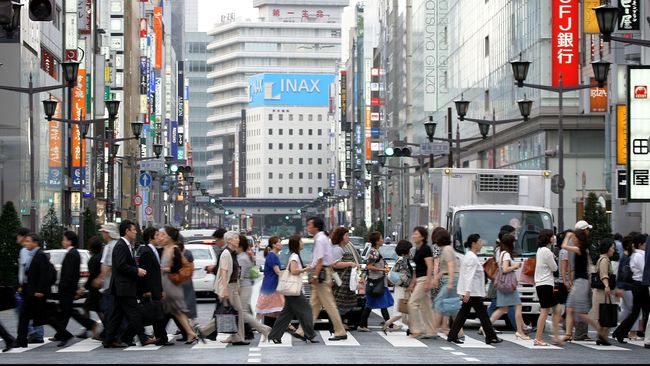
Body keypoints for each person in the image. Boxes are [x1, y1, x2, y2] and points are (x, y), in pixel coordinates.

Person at [102, 220, 158, 348]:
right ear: (127, 231)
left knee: (116, 315)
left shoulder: (125, 245)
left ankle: (109, 340)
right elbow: (121, 265)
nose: (136, 232)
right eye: (133, 229)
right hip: (123, 287)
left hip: (121, 287)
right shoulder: (121, 245)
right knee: (134, 313)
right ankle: (143, 339)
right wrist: (136, 270)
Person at [13, 233, 73, 348]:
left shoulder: (40, 255)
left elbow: (45, 274)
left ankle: (21, 340)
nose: (26, 243)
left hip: (37, 293)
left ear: (35, 243)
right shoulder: (33, 255)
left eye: (28, 241)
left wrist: (40, 290)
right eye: (25, 241)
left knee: (33, 316)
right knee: (38, 316)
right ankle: (64, 334)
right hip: (31, 291)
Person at [293, 217, 347, 341]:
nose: (308, 227)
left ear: (316, 227)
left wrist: (315, 275)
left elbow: (320, 260)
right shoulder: (321, 238)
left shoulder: (320, 239)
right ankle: (303, 330)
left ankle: (340, 331)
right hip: (322, 272)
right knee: (313, 305)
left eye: (309, 225)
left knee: (329, 304)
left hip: (322, 273)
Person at [447, 234, 502, 345]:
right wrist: (467, 291)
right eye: (479, 242)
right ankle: (491, 336)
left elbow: (467, 275)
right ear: (474, 244)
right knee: (483, 315)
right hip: (473, 291)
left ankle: (452, 335)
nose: (481, 244)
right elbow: (469, 275)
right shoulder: (471, 257)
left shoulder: (470, 256)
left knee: (464, 313)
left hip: (471, 291)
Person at [561, 229, 610, 345]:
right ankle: (568, 334)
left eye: (574, 237)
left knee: (581, 313)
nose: (573, 239)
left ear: (579, 239)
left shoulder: (580, 249)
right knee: (569, 308)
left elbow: (564, 246)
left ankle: (600, 331)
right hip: (579, 282)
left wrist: (567, 237)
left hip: (581, 283)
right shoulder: (582, 250)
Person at [267, 235, 318, 344]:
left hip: (292, 290)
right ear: (297, 244)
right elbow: (293, 271)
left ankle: (275, 335)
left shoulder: (294, 256)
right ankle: (310, 334)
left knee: (286, 314)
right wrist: (306, 269)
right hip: (293, 290)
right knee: (307, 310)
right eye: (300, 241)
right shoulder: (294, 257)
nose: (302, 243)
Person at [53, 231, 98, 343]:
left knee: (69, 311)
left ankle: (90, 324)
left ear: (69, 241)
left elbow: (69, 274)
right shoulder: (73, 253)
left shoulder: (72, 254)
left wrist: (64, 287)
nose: (62, 241)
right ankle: (61, 334)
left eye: (64, 239)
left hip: (67, 289)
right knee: (66, 312)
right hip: (68, 288)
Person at [158, 226, 199, 344]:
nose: (161, 237)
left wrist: (164, 269)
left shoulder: (174, 249)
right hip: (167, 284)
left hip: (172, 285)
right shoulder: (166, 248)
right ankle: (189, 332)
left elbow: (177, 267)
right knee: (175, 311)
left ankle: (189, 332)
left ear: (169, 237)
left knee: (177, 311)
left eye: (163, 235)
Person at [485, 234, 530, 340]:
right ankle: (520, 331)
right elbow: (505, 269)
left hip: (503, 285)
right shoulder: (506, 255)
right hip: (508, 285)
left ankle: (485, 326)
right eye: (513, 242)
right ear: (510, 243)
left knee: (503, 308)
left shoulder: (501, 253)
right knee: (518, 306)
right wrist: (515, 266)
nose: (515, 244)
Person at [136, 227, 170, 346]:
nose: (159, 237)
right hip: (150, 290)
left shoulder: (154, 251)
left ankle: (161, 338)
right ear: (150, 238)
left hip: (155, 288)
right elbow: (145, 274)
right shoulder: (146, 252)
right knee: (155, 314)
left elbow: (155, 274)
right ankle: (160, 338)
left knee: (158, 314)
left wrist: (160, 289)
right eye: (156, 235)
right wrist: (146, 290)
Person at [613, 233, 648, 344]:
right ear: (640, 244)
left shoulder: (634, 255)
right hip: (641, 285)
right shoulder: (640, 255)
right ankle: (620, 332)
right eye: (645, 243)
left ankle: (620, 332)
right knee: (638, 311)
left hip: (636, 285)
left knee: (636, 312)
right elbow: (644, 270)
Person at [236, 234, 271, 340]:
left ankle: (263, 328)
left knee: (242, 313)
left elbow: (240, 276)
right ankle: (237, 335)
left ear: (239, 245)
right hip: (246, 286)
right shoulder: (244, 256)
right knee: (241, 312)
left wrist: (236, 288)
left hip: (243, 287)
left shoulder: (242, 257)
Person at [358, 231, 394, 332]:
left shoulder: (375, 251)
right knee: (382, 304)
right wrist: (383, 270)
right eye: (381, 238)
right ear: (377, 241)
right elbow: (369, 266)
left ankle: (362, 325)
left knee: (371, 305)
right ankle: (390, 325)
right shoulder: (374, 252)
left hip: (375, 282)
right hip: (375, 282)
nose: (383, 240)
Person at [407, 226, 437, 339]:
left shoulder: (426, 249)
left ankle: (416, 330)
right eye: (413, 233)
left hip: (424, 279)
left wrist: (428, 281)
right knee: (426, 307)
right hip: (419, 279)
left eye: (416, 234)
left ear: (423, 237)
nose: (413, 236)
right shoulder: (418, 249)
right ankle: (431, 331)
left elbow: (430, 266)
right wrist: (413, 281)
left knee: (412, 303)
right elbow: (417, 267)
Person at [15, 227, 44, 344]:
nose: (17, 238)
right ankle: (36, 333)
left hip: (28, 286)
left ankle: (33, 333)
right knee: (34, 311)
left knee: (23, 311)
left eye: (18, 236)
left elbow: (27, 268)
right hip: (30, 286)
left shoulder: (26, 250)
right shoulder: (30, 250)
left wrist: (22, 284)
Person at [532, 229, 562, 346]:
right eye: (552, 236)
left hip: (542, 284)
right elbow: (554, 268)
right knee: (545, 311)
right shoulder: (547, 252)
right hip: (545, 284)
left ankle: (555, 336)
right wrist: (555, 258)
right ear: (547, 238)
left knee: (557, 308)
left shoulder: (540, 250)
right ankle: (538, 338)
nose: (554, 238)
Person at [486, 225, 517, 331]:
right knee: (499, 304)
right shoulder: (501, 250)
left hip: (500, 281)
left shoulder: (500, 249)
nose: (514, 238)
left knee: (505, 305)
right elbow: (503, 268)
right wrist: (515, 266)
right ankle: (518, 328)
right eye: (512, 235)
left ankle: (518, 327)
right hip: (501, 281)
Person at [94, 223, 120, 341]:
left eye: (104, 232)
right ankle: (109, 333)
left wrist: (100, 278)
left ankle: (111, 335)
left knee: (109, 310)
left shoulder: (110, 246)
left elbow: (109, 265)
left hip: (109, 284)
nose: (102, 234)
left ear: (108, 233)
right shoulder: (113, 245)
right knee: (112, 310)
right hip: (112, 284)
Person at [433, 229, 461, 336]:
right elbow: (444, 268)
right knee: (453, 307)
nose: (435, 239)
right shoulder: (445, 249)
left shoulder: (447, 250)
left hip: (451, 279)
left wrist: (449, 282)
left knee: (439, 302)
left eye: (437, 237)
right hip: (449, 279)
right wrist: (436, 279)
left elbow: (450, 265)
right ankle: (459, 332)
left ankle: (433, 330)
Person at [331, 227, 359, 327]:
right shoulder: (337, 249)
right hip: (340, 279)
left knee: (347, 301)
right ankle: (339, 323)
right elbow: (334, 264)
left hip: (347, 279)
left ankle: (344, 322)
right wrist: (350, 263)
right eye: (346, 235)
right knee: (340, 301)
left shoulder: (346, 247)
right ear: (341, 237)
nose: (348, 237)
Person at [383, 240, 413, 332]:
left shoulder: (402, 259)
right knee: (401, 309)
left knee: (405, 308)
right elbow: (403, 275)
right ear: (406, 250)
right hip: (403, 287)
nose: (411, 251)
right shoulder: (403, 260)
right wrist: (410, 285)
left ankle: (411, 328)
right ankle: (388, 323)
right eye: (409, 249)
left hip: (402, 287)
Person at [616, 235, 642, 341]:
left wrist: (619, 286)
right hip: (630, 286)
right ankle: (632, 332)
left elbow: (620, 273)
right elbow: (624, 274)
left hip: (624, 287)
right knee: (633, 310)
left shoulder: (623, 256)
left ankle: (623, 330)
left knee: (627, 310)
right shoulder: (629, 257)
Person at [255, 236, 285, 324]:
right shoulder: (272, 256)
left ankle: (283, 327)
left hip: (272, 286)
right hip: (270, 287)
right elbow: (278, 272)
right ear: (274, 245)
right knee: (264, 308)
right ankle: (256, 325)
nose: (281, 244)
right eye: (279, 242)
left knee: (274, 308)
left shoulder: (273, 256)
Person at [592, 239, 616, 342]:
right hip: (602, 291)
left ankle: (602, 336)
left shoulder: (603, 259)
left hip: (601, 291)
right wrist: (607, 286)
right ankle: (602, 336)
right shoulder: (605, 260)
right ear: (607, 248)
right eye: (612, 247)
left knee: (603, 314)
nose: (613, 250)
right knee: (604, 313)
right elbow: (604, 274)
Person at [82, 236, 104, 339]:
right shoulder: (101, 256)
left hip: (94, 288)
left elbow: (92, 275)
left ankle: (90, 327)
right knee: (98, 309)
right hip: (99, 288)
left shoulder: (93, 259)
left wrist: (83, 288)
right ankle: (91, 328)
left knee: (95, 308)